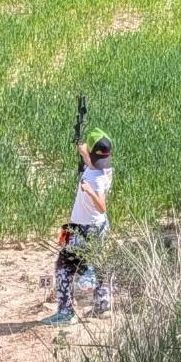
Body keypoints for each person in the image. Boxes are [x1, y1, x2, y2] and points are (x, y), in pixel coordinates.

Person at [40, 127, 114, 326]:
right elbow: (91, 160)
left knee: (64, 266)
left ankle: (66, 313)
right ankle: (103, 305)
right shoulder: (105, 168)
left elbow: (102, 206)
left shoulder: (94, 180)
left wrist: (89, 191)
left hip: (85, 229)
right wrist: (80, 145)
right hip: (98, 228)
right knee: (99, 263)